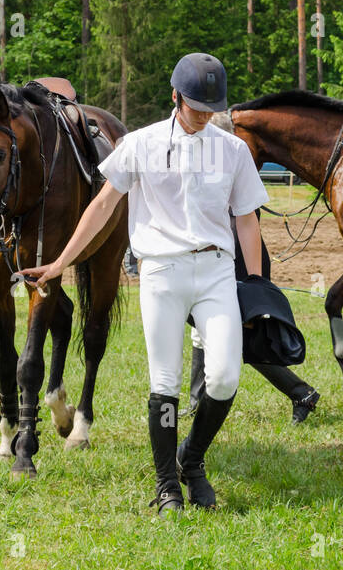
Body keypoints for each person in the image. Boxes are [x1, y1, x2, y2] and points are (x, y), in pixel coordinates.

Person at [21, 53, 268, 515]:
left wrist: (254, 284)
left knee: (225, 376)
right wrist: (59, 263)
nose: (203, 116)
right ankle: (167, 485)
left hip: (216, 271)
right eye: (195, 107)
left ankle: (191, 458)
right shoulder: (140, 144)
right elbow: (100, 207)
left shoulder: (232, 150)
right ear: (174, 97)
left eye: (210, 109)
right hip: (161, 271)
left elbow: (248, 220)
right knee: (166, 383)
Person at [186, 215, 320, 424]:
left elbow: (244, 217)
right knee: (201, 329)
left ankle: (301, 392)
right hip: (214, 256)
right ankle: (196, 402)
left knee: (239, 337)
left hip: (234, 258)